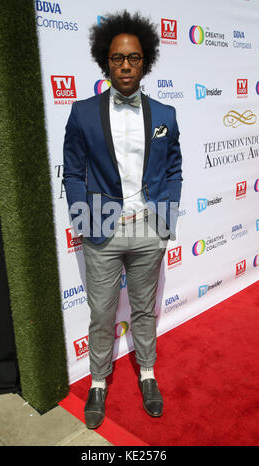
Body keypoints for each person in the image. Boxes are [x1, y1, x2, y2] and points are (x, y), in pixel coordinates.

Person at [63, 10, 182, 429]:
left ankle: (147, 373)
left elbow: (174, 170)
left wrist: (166, 218)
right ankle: (98, 380)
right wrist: (86, 220)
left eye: (133, 58)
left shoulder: (165, 114)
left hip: (150, 229)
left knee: (145, 310)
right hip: (103, 230)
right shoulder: (81, 113)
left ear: (145, 61)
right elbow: (73, 172)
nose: (126, 65)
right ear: (105, 62)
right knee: (102, 312)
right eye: (117, 58)